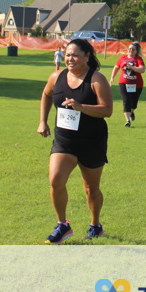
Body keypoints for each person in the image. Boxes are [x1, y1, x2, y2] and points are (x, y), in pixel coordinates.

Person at [37, 38, 114, 243]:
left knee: (91, 188)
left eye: (75, 55)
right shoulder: (56, 77)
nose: (70, 59)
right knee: (55, 180)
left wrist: (81, 107)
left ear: (87, 56)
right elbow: (46, 95)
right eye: (68, 55)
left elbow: (107, 110)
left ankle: (95, 225)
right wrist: (43, 121)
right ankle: (62, 225)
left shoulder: (96, 79)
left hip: (92, 141)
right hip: (64, 140)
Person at [111, 41, 146, 127]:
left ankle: (132, 111)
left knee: (134, 104)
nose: (130, 50)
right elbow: (116, 67)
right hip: (124, 82)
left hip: (137, 84)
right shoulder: (122, 58)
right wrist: (112, 78)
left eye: (133, 49)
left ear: (136, 51)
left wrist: (132, 67)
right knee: (126, 101)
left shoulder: (138, 59)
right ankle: (127, 121)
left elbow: (142, 70)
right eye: (129, 49)